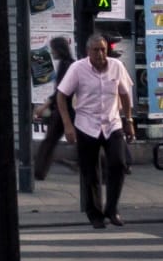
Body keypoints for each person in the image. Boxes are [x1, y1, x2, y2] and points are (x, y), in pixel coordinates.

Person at [55, 34, 136, 228]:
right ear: (87, 52)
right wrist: (68, 125)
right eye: (96, 50)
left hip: (112, 123)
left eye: (103, 50)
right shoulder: (78, 69)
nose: (100, 54)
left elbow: (125, 94)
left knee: (118, 164)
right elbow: (61, 95)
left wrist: (129, 120)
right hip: (86, 124)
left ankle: (112, 208)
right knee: (90, 173)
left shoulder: (116, 66)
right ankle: (95, 214)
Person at [32, 36, 76, 181]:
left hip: (66, 110)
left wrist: (45, 105)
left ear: (59, 49)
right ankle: (39, 171)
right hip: (69, 109)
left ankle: (39, 172)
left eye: (53, 49)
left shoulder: (67, 65)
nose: (52, 52)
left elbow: (60, 91)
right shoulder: (67, 64)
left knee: (49, 141)